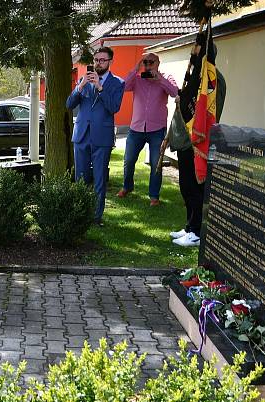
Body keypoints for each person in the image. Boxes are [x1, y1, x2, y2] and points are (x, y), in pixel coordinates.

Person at [169, 33, 226, 247]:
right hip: (185, 141)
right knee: (186, 186)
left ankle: (197, 231)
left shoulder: (212, 80)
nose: (193, 53)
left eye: (197, 50)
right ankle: (189, 226)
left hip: (198, 141)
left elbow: (210, 111)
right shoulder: (195, 78)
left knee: (195, 188)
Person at [66, 46, 125, 226]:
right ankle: (80, 214)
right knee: (80, 178)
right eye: (96, 60)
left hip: (102, 137)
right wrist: (80, 86)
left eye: (102, 60)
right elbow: (69, 104)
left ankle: (96, 217)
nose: (98, 63)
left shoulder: (118, 83)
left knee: (99, 179)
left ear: (110, 62)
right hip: (82, 135)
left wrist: (100, 87)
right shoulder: (84, 80)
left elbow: (114, 107)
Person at [118, 52, 178, 206]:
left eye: (151, 62)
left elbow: (175, 93)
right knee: (129, 160)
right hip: (136, 128)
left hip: (157, 129)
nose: (148, 65)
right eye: (145, 62)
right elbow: (124, 86)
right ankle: (127, 186)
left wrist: (159, 80)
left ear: (158, 63)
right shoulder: (138, 80)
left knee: (155, 164)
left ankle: (154, 196)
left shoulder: (166, 78)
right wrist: (136, 67)